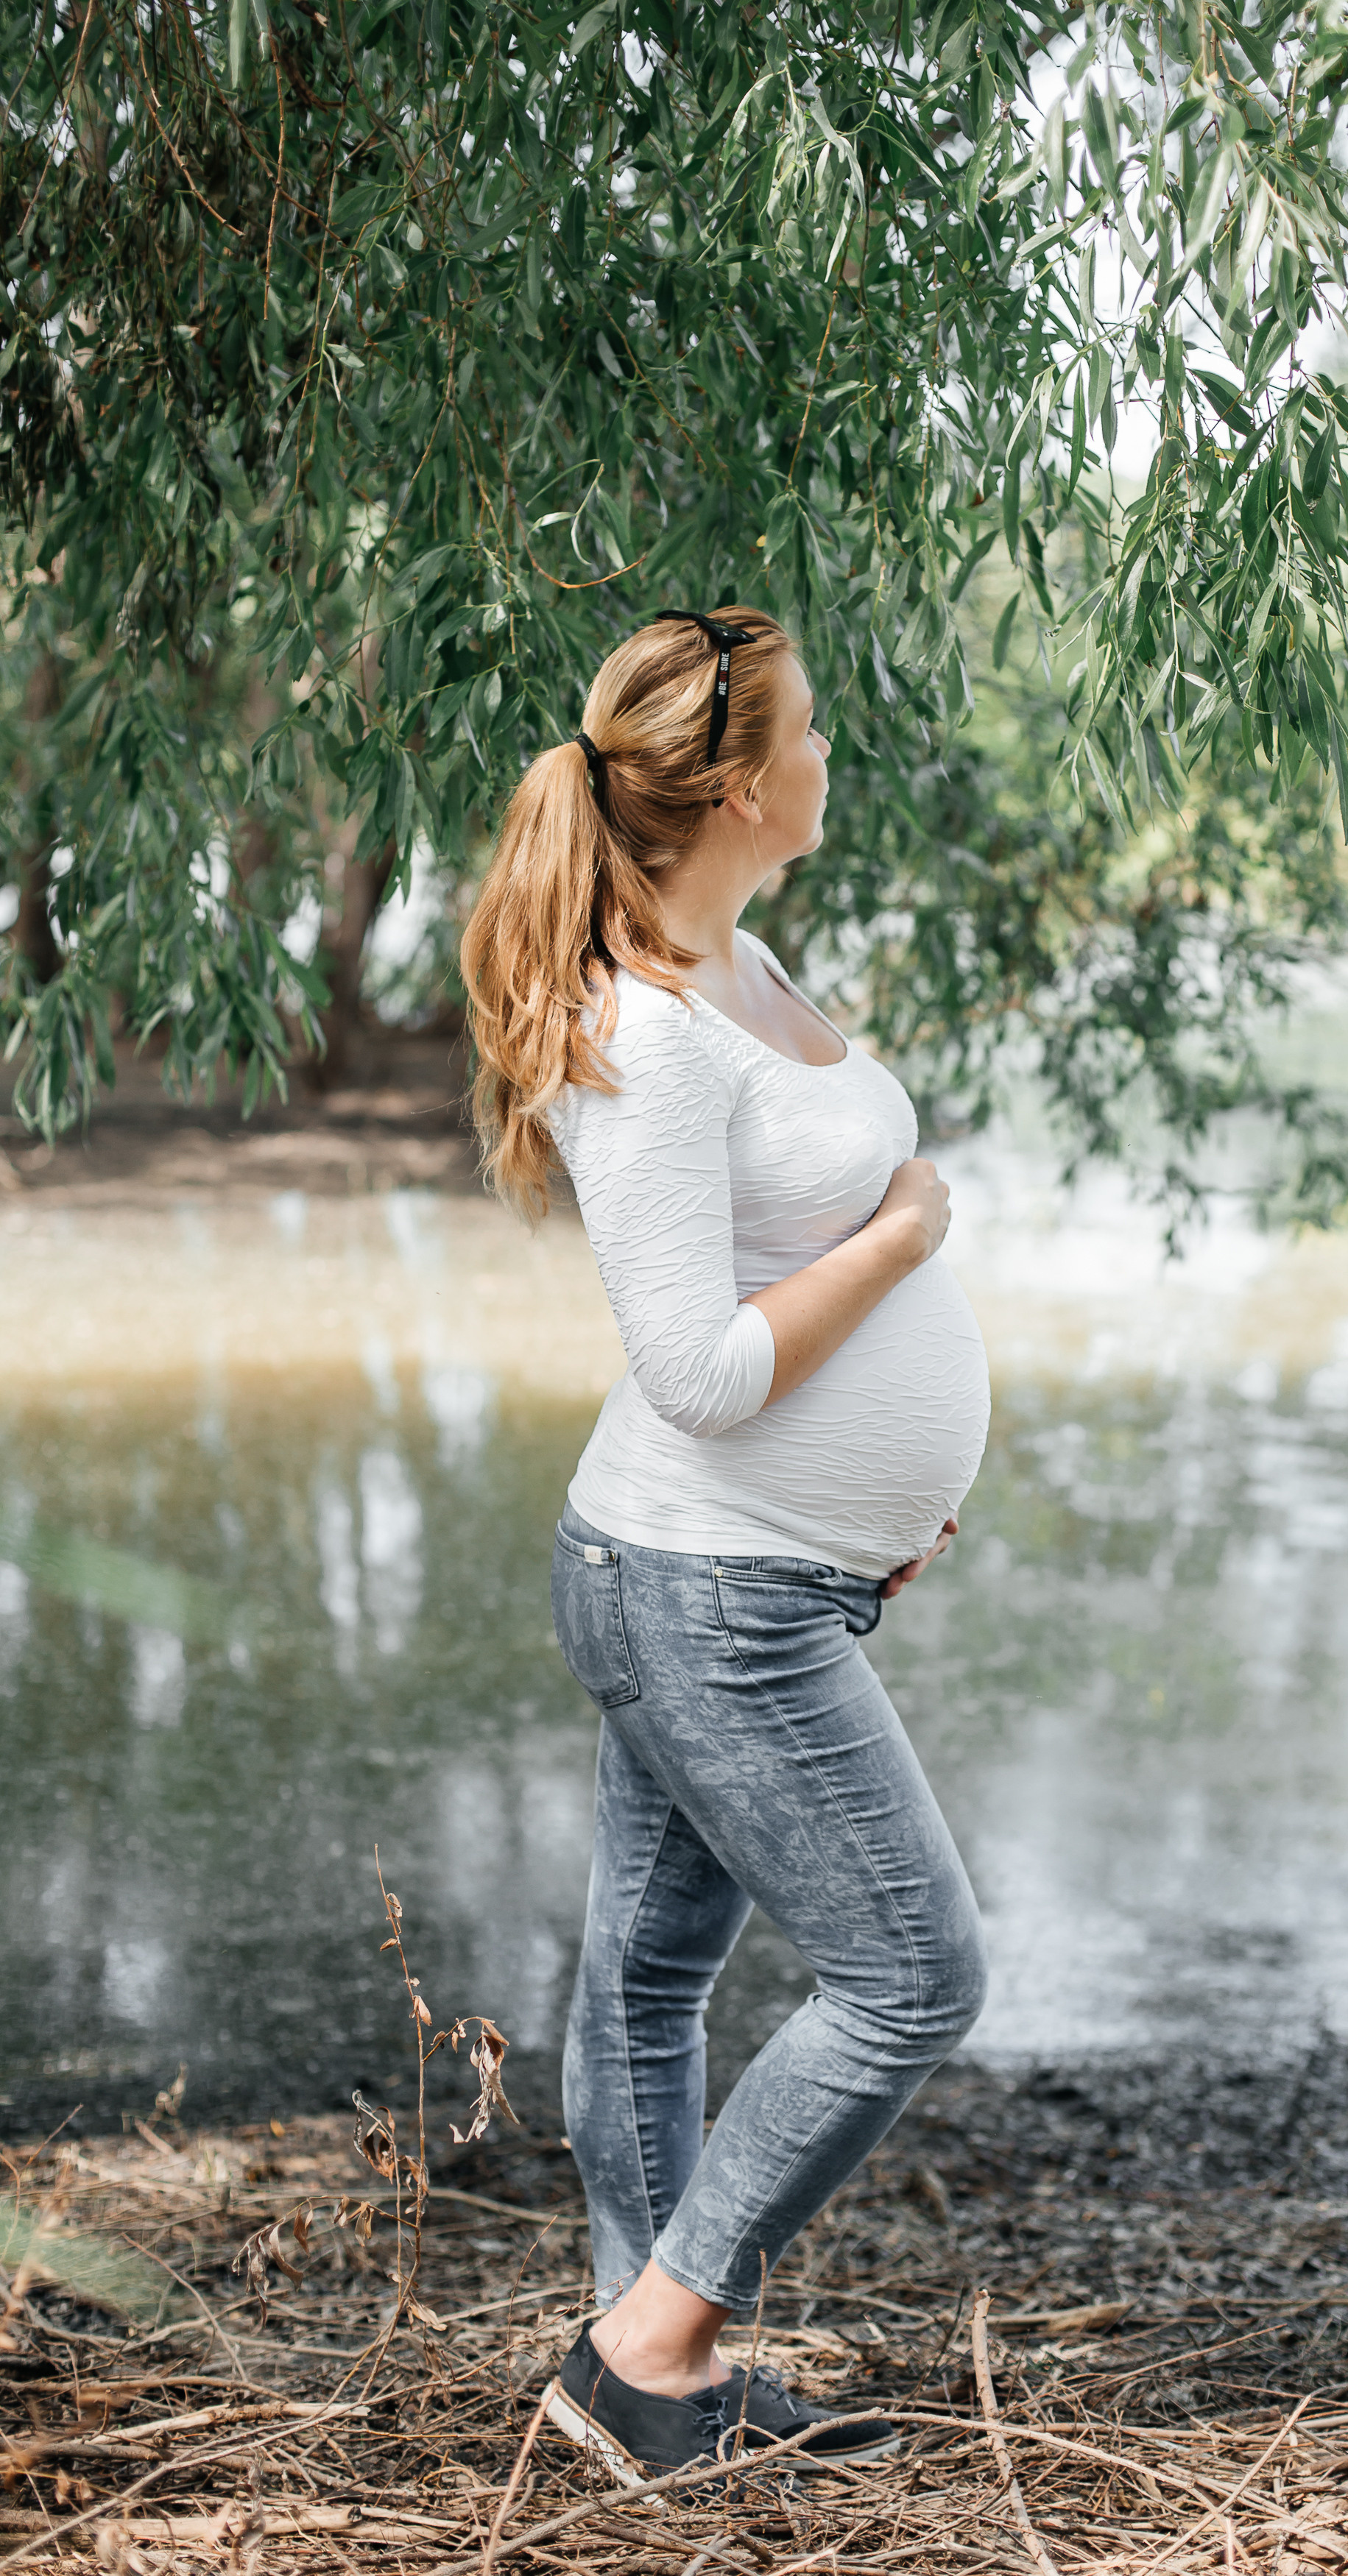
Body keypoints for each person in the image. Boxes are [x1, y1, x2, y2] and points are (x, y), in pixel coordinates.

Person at [460, 606, 992, 2485]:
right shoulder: (648, 1040)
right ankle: (653, 2341)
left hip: (749, 1572)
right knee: (917, 1974)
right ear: (747, 784)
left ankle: (644, 2382)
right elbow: (694, 1369)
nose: (837, 756)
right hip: (700, 1585)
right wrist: (910, 1240)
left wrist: (887, 1503)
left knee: (656, 1974)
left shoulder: (739, 955)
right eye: (818, 729)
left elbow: (777, 1270)